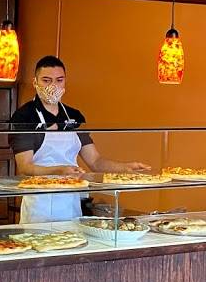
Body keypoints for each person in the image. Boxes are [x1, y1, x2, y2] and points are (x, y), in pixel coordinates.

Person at [9, 55, 149, 223]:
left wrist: (125, 168)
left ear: (65, 82)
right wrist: (59, 171)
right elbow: (25, 167)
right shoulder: (24, 117)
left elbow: (95, 161)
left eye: (59, 80)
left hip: (71, 203)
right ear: (35, 82)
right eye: (46, 80)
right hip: (39, 206)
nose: (53, 86)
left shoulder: (73, 116)